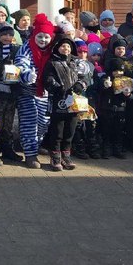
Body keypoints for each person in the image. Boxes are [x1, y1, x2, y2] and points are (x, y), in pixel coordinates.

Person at [14, 13, 56, 169]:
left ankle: (35, 144)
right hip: (27, 90)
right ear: (35, 35)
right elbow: (20, 64)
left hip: (45, 92)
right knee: (30, 122)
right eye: (40, 36)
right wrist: (27, 74)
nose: (43, 40)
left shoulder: (52, 49)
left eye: (46, 37)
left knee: (44, 122)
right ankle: (30, 154)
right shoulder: (26, 47)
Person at [42, 36, 85, 171]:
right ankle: (55, 156)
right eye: (63, 46)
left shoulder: (76, 62)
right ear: (57, 48)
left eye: (68, 46)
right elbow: (47, 79)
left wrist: (80, 85)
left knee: (70, 130)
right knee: (58, 131)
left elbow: (85, 77)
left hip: (74, 102)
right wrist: (56, 86)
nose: (65, 49)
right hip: (59, 100)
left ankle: (66, 155)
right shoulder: (52, 62)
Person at [0, 24, 23, 165]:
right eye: (4, 35)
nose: (7, 37)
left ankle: (8, 148)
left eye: (10, 35)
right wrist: (3, 64)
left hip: (12, 90)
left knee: (9, 120)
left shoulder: (16, 49)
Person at [96, 58, 133, 159]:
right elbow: (99, 88)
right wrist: (105, 85)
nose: (118, 73)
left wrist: (128, 94)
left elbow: (131, 96)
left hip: (121, 108)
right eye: (115, 71)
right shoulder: (106, 77)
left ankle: (117, 149)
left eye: (120, 71)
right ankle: (106, 148)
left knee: (119, 130)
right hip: (107, 108)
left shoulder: (126, 80)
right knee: (106, 130)